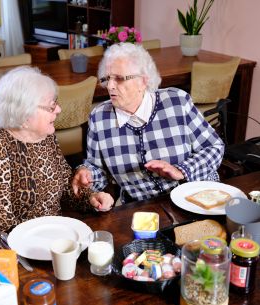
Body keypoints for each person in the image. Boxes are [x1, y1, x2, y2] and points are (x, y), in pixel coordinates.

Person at [0, 66, 114, 241]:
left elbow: (67, 188)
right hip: (6, 247)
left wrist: (91, 197)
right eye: (51, 106)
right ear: (24, 114)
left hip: (53, 236)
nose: (59, 110)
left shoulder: (44, 135)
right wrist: (47, 241)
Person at [72, 43, 224, 205]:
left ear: (143, 81)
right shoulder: (100, 117)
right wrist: (87, 174)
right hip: (141, 207)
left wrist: (181, 170)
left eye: (119, 78)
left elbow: (215, 148)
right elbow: (98, 169)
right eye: (107, 78)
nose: (109, 86)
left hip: (197, 196)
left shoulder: (177, 102)